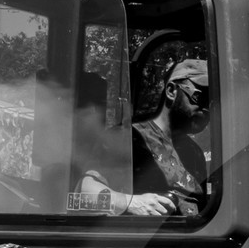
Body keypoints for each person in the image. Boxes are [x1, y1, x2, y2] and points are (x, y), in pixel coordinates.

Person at [80, 56, 212, 216]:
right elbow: (85, 192)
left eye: (212, 103)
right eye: (201, 98)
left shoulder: (194, 152)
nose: (206, 110)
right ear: (171, 91)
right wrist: (130, 202)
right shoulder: (127, 138)